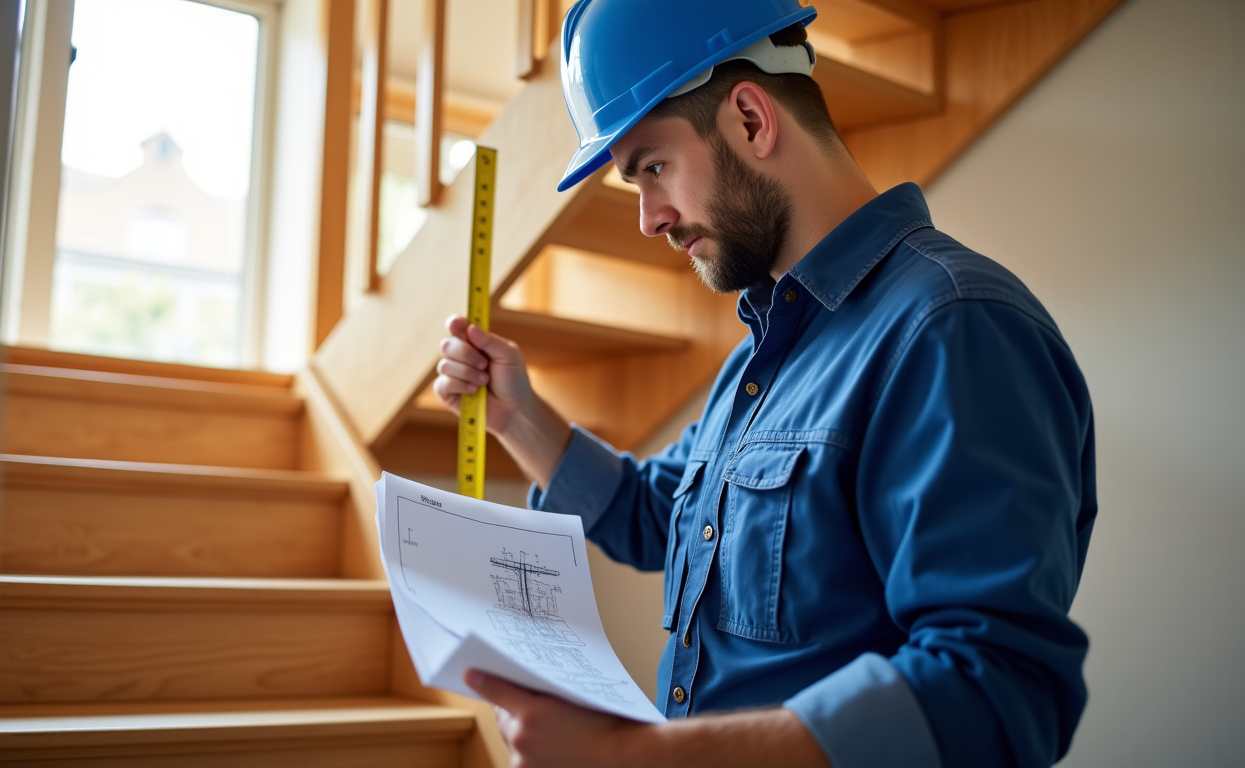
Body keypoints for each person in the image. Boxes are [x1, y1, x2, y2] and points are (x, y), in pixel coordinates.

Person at [434, 2, 1097, 766]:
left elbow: (992, 695)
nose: (649, 219)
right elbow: (658, 517)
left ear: (751, 119)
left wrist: (635, 758)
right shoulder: (761, 359)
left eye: (653, 167)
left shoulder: (953, 329)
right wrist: (520, 418)